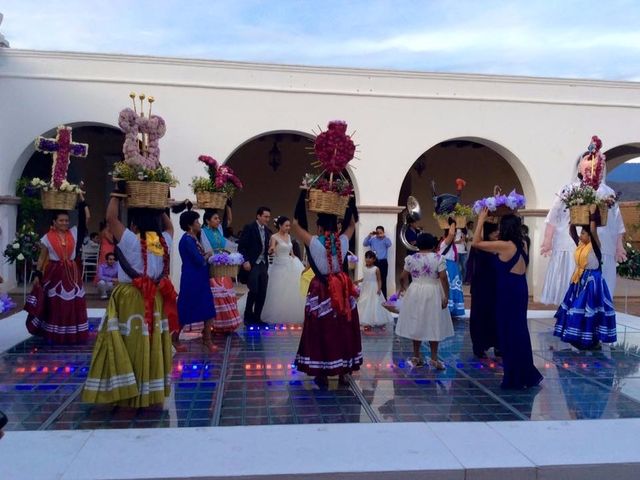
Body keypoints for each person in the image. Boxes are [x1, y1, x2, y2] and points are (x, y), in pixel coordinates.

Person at [82, 194, 176, 407]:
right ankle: (149, 388)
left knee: (126, 339)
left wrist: (116, 194)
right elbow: (171, 229)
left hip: (130, 297)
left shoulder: (131, 239)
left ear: (134, 224)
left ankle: (127, 386)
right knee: (149, 339)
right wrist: (160, 210)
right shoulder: (160, 241)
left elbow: (111, 219)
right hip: (154, 296)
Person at [291, 192, 362, 387]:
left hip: (321, 289)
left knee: (320, 329)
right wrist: (351, 204)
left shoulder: (314, 242)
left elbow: (296, 224)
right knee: (343, 328)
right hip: (342, 287)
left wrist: (302, 193)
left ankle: (321, 372)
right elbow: (351, 225)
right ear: (335, 226)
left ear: (320, 227)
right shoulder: (343, 242)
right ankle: (341, 372)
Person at [541, 150, 626, 304]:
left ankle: (595, 311)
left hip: (602, 244)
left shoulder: (609, 192)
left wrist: (619, 247)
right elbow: (553, 216)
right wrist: (548, 240)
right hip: (571, 243)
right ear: (580, 167)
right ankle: (569, 311)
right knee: (571, 278)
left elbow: (616, 222)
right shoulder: (568, 190)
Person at [472, 210, 543, 389]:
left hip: (507, 290)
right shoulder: (524, 243)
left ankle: (515, 376)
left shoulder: (505, 245)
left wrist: (480, 220)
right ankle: (524, 371)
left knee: (508, 331)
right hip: (520, 287)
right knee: (519, 329)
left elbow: (476, 242)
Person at [553, 206, 616, 350]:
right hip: (580, 279)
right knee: (576, 307)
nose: (581, 236)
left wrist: (593, 214)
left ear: (589, 236)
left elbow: (593, 231)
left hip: (592, 282)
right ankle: (579, 337)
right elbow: (571, 231)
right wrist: (573, 215)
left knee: (589, 309)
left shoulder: (595, 246)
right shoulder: (581, 245)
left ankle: (592, 339)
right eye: (581, 233)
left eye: (583, 233)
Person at [26, 209, 88, 344]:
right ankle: (56, 334)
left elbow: (86, 218)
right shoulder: (47, 238)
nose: (64, 223)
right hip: (54, 272)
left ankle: (72, 334)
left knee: (73, 303)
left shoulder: (73, 233)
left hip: (72, 273)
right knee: (56, 303)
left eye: (66, 220)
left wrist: (82, 201)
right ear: (54, 222)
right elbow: (42, 258)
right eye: (61, 220)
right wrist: (37, 274)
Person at [395, 233, 454, 369]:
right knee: (434, 322)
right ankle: (434, 358)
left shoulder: (411, 258)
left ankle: (417, 356)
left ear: (417, 245)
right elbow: (443, 278)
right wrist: (446, 295)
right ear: (433, 245)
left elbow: (403, 276)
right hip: (433, 290)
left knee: (417, 321)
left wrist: (404, 287)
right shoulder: (439, 258)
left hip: (415, 290)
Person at [175, 204, 217, 352]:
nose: (200, 224)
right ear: (190, 225)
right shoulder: (187, 240)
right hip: (192, 279)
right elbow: (198, 260)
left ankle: (207, 338)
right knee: (186, 308)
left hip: (200, 278)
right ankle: (175, 338)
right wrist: (208, 255)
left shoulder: (193, 238)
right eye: (197, 222)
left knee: (208, 308)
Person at [200, 209, 241, 333]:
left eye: (218, 218)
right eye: (215, 219)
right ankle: (214, 325)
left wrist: (228, 206)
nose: (218, 221)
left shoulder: (219, 230)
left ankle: (227, 324)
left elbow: (226, 242)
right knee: (216, 296)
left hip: (222, 266)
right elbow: (206, 248)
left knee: (227, 294)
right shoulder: (203, 232)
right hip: (212, 267)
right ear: (207, 221)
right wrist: (214, 257)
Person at [261, 216, 306, 325]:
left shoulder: (289, 236)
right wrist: (271, 250)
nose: (288, 227)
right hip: (279, 265)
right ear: (280, 226)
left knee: (292, 289)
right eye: (286, 225)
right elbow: (271, 249)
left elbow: (291, 251)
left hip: (290, 263)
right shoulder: (274, 237)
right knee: (278, 290)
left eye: (289, 225)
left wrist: (294, 258)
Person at [467, 222, 499, 358]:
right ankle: (479, 346)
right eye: (493, 233)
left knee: (497, 316)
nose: (497, 235)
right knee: (480, 317)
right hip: (481, 288)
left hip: (496, 287)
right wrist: (480, 220)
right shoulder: (479, 248)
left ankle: (499, 345)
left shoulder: (500, 246)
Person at [238, 206, 272, 327]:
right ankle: (248, 316)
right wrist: (245, 260)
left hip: (263, 263)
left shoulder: (267, 230)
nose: (267, 219)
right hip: (253, 263)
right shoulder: (249, 228)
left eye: (268, 217)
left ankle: (258, 317)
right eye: (265, 216)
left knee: (262, 291)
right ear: (258, 216)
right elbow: (241, 246)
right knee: (254, 289)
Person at [356, 251, 393, 330]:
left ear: (374, 259)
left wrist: (379, 288)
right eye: (366, 257)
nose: (368, 259)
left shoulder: (376, 269)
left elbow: (379, 280)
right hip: (366, 287)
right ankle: (364, 318)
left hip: (374, 287)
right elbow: (365, 277)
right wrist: (359, 281)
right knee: (364, 301)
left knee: (374, 302)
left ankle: (375, 319)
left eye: (370, 258)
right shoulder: (364, 267)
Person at [438, 222, 465, 317]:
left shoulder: (451, 245)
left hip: (453, 267)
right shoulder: (444, 243)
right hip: (447, 266)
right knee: (448, 286)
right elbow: (451, 234)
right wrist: (453, 222)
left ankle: (454, 308)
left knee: (454, 286)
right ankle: (448, 308)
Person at [363, 226, 392, 298]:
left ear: (383, 232)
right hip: (374, 262)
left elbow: (389, 244)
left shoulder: (386, 239)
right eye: (377, 232)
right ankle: (375, 297)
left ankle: (384, 298)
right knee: (374, 279)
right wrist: (369, 235)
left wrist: (384, 237)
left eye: (380, 232)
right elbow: (364, 243)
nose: (379, 234)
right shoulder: (373, 239)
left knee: (383, 280)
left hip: (383, 262)